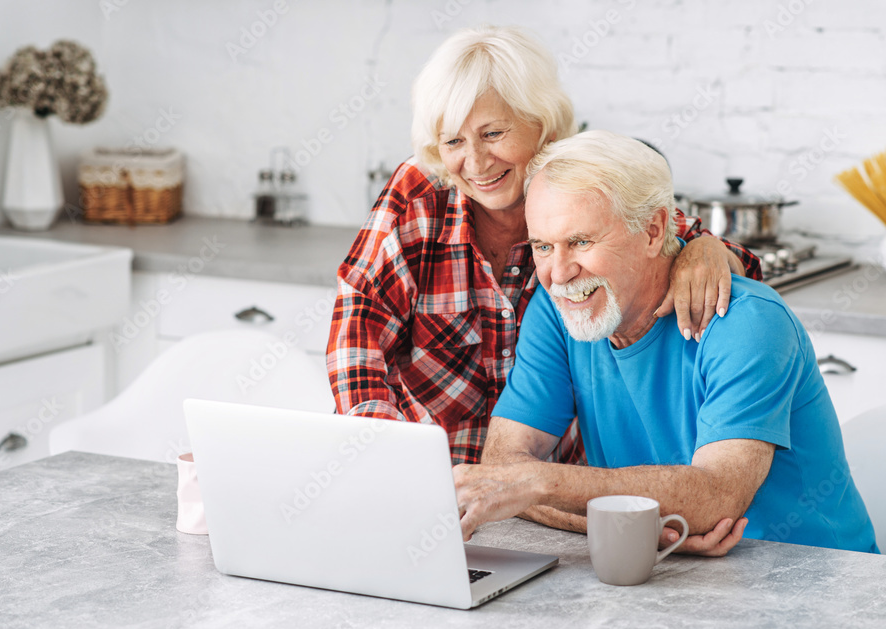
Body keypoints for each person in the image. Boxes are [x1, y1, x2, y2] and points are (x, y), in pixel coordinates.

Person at [327, 25, 761, 468]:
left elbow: (691, 244)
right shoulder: (417, 198)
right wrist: (379, 456)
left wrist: (704, 249)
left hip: (558, 490)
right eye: (453, 140)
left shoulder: (575, 181)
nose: (475, 162)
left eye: (493, 133)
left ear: (543, 124)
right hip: (435, 482)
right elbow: (357, 340)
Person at [454, 130, 878, 554]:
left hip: (816, 584)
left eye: (581, 241)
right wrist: (641, 525)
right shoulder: (559, 310)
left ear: (654, 230)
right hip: (672, 575)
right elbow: (501, 469)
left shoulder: (747, 322)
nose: (559, 273)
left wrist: (538, 484)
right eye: (543, 246)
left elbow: (717, 497)